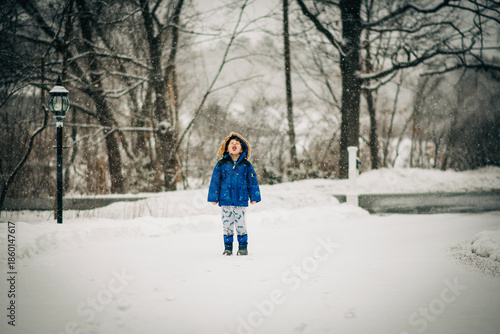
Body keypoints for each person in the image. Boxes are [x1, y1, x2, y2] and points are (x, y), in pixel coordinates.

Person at [208, 132, 261, 256]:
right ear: (227, 148)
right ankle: (228, 248)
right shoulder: (221, 164)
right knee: (227, 224)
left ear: (241, 148)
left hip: (240, 200)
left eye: (237, 143)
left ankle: (243, 248)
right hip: (225, 200)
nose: (234, 144)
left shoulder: (246, 165)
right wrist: (213, 197)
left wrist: (254, 197)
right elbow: (215, 181)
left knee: (241, 224)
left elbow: (252, 181)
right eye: (232, 143)